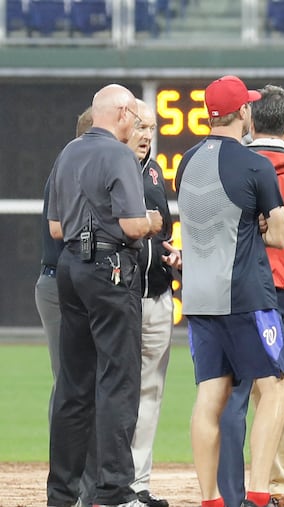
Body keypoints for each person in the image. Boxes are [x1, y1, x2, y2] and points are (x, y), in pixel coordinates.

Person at [176, 75, 284, 507]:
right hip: (245, 295)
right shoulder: (254, 164)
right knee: (279, 388)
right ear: (243, 112)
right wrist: (256, 228)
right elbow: (280, 235)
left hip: (199, 296)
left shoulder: (187, 161)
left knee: (211, 394)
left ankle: (211, 499)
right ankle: (259, 494)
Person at [46, 84, 162, 507]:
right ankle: (113, 491)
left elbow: (56, 229)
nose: (135, 123)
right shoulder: (118, 154)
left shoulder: (68, 152)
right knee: (118, 381)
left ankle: (60, 493)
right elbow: (133, 227)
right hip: (110, 271)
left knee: (74, 386)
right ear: (122, 113)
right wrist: (151, 220)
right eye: (133, 114)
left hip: (71, 267)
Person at [219, 84, 284, 507]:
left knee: (234, 397)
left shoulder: (230, 167)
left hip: (243, 296)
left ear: (249, 121)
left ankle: (230, 495)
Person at [127, 98, 176, 507]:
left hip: (157, 296)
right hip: (119, 299)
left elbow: (163, 234)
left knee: (150, 391)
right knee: (114, 390)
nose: (146, 135)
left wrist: (169, 250)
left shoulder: (157, 172)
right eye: (140, 126)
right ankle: (109, 481)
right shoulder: (107, 167)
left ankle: (139, 482)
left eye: (151, 128)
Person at [35, 108, 90, 425]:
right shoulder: (69, 172)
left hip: (68, 282)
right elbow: (72, 233)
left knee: (81, 378)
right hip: (60, 283)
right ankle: (67, 464)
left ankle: (82, 463)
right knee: (70, 380)